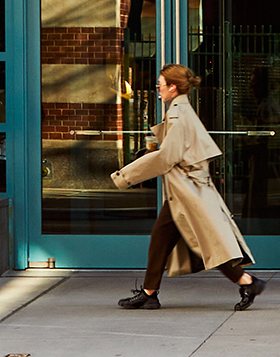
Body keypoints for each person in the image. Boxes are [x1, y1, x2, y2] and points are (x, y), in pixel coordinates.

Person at [112, 63, 264, 312]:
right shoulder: (179, 110)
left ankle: (248, 281)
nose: (157, 89)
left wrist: (124, 176)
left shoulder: (178, 114)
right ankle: (149, 293)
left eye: (159, 85)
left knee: (208, 242)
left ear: (172, 87)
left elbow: (166, 158)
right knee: (164, 240)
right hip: (184, 190)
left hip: (188, 191)